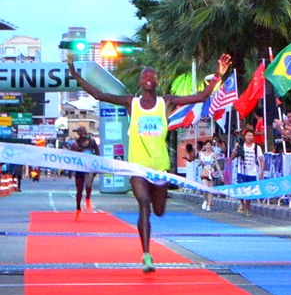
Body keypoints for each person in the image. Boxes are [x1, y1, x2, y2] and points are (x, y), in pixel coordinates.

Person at [67, 52, 231, 273]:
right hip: (137, 167)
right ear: (140, 82)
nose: (148, 77)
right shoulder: (130, 103)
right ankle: (146, 255)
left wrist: (218, 76)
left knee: (159, 210)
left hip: (159, 169)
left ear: (156, 81)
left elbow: (200, 97)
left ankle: (154, 218)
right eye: (145, 75)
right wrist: (75, 74)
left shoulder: (166, 102)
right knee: (143, 205)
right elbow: (98, 94)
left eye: (152, 75)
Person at [70, 126, 100, 217]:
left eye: (84, 131)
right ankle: (78, 208)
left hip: (90, 168)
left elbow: (97, 153)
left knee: (88, 185)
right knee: (79, 191)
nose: (83, 133)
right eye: (81, 131)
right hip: (79, 170)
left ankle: (88, 199)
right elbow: (71, 157)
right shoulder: (75, 144)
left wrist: (97, 166)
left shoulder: (92, 142)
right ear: (78, 133)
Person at [236, 129, 264, 216]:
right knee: (241, 189)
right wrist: (236, 149)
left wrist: (261, 172)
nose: (249, 137)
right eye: (247, 135)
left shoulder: (256, 148)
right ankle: (241, 203)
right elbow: (233, 157)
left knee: (249, 191)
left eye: (251, 135)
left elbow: (261, 160)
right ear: (245, 137)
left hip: (252, 172)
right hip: (241, 171)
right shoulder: (241, 146)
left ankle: (248, 209)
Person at [198, 140, 222, 211]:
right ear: (204, 146)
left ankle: (209, 205)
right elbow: (200, 162)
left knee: (210, 188)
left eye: (209, 145)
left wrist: (220, 173)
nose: (208, 146)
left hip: (211, 172)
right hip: (204, 171)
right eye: (207, 145)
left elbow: (216, 164)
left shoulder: (213, 154)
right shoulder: (201, 153)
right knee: (205, 187)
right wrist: (201, 162)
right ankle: (205, 200)